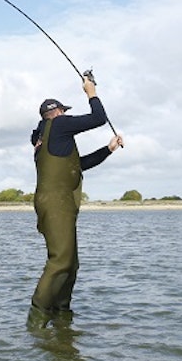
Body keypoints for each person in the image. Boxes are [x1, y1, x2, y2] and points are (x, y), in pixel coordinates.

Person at [29, 75, 123, 323]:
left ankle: (61, 315)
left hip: (58, 204)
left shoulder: (48, 138)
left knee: (71, 263)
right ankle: (36, 318)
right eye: (63, 111)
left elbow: (78, 166)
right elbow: (98, 118)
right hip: (55, 203)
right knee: (61, 260)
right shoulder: (58, 126)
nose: (65, 115)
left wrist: (108, 149)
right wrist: (90, 91)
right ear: (57, 112)